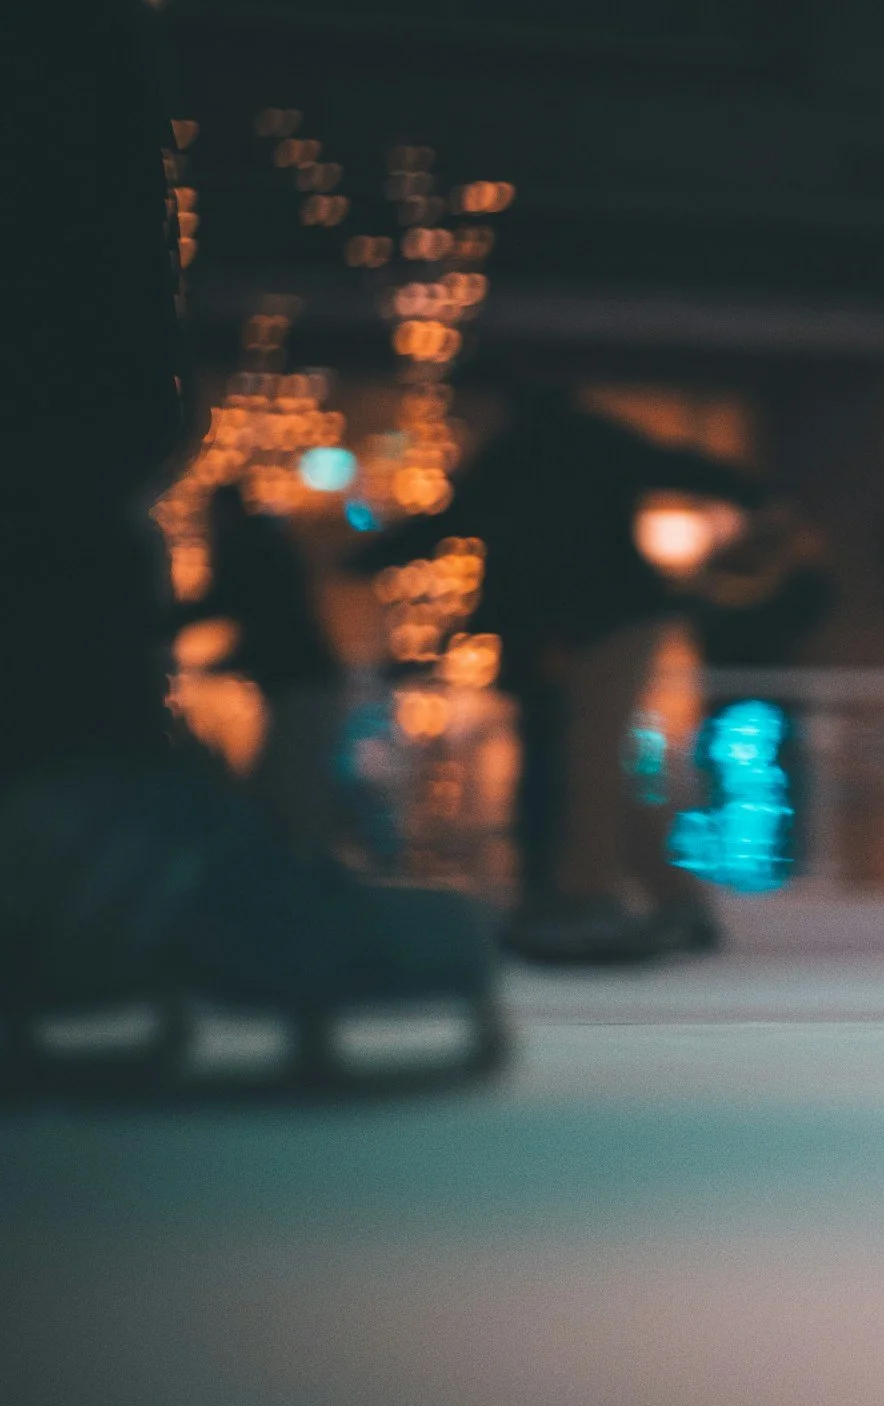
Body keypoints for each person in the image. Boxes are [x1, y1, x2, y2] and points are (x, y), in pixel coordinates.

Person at [0, 3, 502, 1094]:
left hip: (293, 677)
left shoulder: (256, 546)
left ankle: (75, 789)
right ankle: (59, 791)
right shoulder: (258, 544)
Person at [363, 386, 769, 964]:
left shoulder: (533, 451)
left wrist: (369, 562)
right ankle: (673, 902)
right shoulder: (556, 447)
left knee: (591, 760)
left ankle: (587, 902)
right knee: (600, 765)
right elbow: (501, 565)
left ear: (494, 406)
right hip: (597, 625)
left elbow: (463, 523)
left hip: (609, 622)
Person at [185, 485, 347, 853]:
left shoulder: (245, 552)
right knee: (285, 783)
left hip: (300, 687)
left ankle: (304, 870)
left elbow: (230, 606)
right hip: (306, 684)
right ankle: (301, 866)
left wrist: (150, 627)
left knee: (288, 788)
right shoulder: (265, 546)